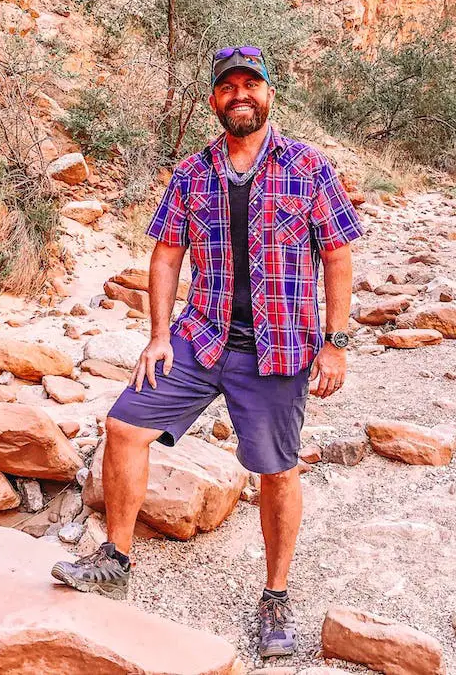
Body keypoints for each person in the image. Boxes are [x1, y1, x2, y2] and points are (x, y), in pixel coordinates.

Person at [52, 45, 363, 658]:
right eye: (228, 86)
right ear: (214, 98)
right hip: (201, 337)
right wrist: (159, 335)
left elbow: (337, 254)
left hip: (280, 348)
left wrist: (337, 342)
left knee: (276, 470)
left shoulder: (309, 167)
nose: (240, 94)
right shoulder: (193, 174)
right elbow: (167, 254)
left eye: (252, 84)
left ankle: (274, 597)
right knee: (123, 425)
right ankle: (115, 559)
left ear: (269, 92)